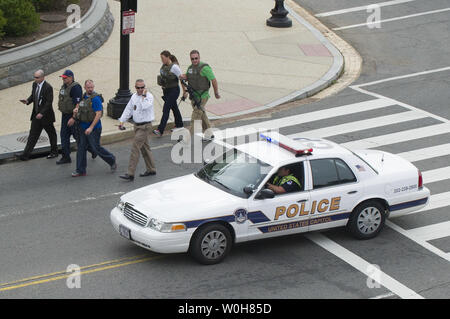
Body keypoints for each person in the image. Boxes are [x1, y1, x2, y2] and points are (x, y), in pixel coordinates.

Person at [69, 80, 116, 177]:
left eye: (91, 87)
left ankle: (111, 160)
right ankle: (81, 170)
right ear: (85, 88)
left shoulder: (95, 99)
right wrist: (74, 115)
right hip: (82, 127)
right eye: (88, 87)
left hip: (94, 129)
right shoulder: (83, 97)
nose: (90, 89)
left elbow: (98, 114)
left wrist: (91, 128)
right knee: (81, 148)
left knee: (96, 148)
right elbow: (79, 108)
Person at [118, 79, 157, 181]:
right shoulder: (134, 97)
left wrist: (143, 96)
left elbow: (145, 106)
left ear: (145, 87)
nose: (140, 89)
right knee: (145, 148)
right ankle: (151, 169)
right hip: (137, 126)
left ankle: (130, 173)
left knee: (135, 147)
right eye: (138, 87)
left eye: (142, 87)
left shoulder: (149, 96)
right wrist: (122, 121)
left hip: (145, 127)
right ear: (135, 87)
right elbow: (129, 109)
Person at [180, 50, 220, 142]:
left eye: (196, 58)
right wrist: (183, 77)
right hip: (194, 96)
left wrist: (216, 92)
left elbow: (213, 80)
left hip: (202, 96)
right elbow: (189, 76)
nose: (194, 60)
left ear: (199, 57)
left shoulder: (204, 68)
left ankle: (186, 139)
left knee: (195, 117)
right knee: (202, 115)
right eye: (192, 59)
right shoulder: (190, 68)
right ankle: (209, 134)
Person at [17, 70, 58, 161]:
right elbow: (33, 96)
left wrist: (42, 113)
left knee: (51, 134)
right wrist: (27, 101)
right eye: (34, 77)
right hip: (36, 116)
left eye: (37, 77)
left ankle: (54, 152)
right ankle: (25, 155)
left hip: (46, 116)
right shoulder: (34, 84)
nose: (35, 79)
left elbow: (48, 102)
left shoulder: (48, 87)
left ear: (43, 77)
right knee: (33, 135)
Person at [56, 69, 94, 165]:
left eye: (65, 78)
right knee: (64, 135)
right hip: (65, 115)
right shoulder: (64, 87)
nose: (63, 79)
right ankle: (66, 156)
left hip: (73, 116)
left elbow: (78, 103)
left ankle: (93, 150)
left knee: (78, 138)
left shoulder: (75, 88)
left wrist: (73, 118)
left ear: (71, 78)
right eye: (63, 78)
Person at [153, 50, 184, 137]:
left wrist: (185, 92)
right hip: (166, 91)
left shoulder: (174, 67)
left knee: (166, 109)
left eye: (162, 58)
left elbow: (181, 79)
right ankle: (179, 125)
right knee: (174, 108)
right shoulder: (164, 65)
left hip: (173, 91)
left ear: (168, 57)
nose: (161, 60)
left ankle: (160, 130)